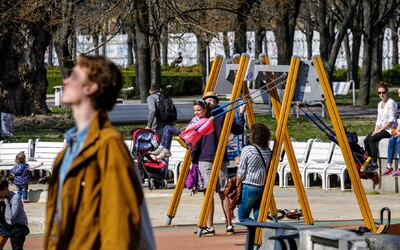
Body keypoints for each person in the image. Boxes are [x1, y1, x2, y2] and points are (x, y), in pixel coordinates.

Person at [44, 55, 151, 249]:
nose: (65, 81)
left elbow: (119, 225)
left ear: (91, 87)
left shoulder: (108, 145)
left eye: (74, 77)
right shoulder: (68, 150)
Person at [191, 91, 245, 236]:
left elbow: (195, 140)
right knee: (222, 192)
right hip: (220, 157)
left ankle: (211, 226)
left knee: (209, 193)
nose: (209, 103)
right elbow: (238, 129)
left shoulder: (202, 117)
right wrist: (241, 114)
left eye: (210, 101)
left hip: (206, 157)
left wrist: (193, 159)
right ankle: (228, 225)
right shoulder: (224, 114)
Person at [236, 123, 272, 222]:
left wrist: (237, 182)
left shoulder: (247, 150)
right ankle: (259, 235)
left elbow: (242, 170)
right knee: (259, 217)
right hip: (262, 186)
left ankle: (256, 230)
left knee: (243, 217)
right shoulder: (268, 151)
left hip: (249, 185)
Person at [364, 82, 397, 173]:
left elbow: (391, 120)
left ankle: (375, 164)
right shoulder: (379, 104)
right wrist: (375, 131)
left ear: (387, 92)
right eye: (379, 93)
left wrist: (380, 129)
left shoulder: (390, 103)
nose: (381, 95)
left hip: (390, 129)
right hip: (382, 128)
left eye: (383, 92)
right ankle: (369, 163)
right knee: (367, 139)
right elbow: (378, 120)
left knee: (372, 139)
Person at [0, 175, 30, 250]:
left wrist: (6, 203)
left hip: (18, 227)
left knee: (16, 248)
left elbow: (10, 218)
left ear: (6, 189)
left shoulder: (15, 198)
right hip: (6, 226)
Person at [384, 87, 400, 176]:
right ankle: (389, 166)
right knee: (391, 140)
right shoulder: (398, 105)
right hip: (398, 130)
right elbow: (396, 120)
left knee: (399, 141)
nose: (399, 95)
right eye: (399, 93)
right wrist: (394, 130)